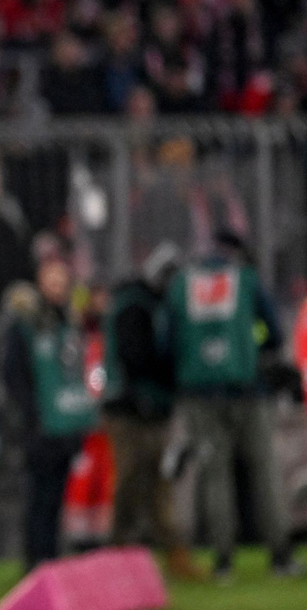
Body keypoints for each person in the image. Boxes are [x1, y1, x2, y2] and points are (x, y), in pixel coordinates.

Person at [166, 230, 298, 579]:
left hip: (200, 394)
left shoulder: (182, 285)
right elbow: (273, 331)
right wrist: (249, 348)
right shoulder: (245, 279)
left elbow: (167, 339)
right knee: (265, 472)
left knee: (215, 476)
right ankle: (281, 556)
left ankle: (223, 561)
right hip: (248, 390)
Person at [101, 243, 204, 580]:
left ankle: (168, 552)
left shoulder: (151, 304)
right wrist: (166, 381)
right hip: (129, 410)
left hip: (150, 408)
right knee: (133, 480)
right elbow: (136, 358)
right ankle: (121, 553)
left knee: (155, 482)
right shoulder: (134, 305)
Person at [3, 257, 97, 571]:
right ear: (40, 283)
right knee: (39, 496)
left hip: (65, 424)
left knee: (56, 496)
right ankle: (36, 559)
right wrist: (32, 414)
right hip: (40, 425)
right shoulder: (25, 324)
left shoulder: (71, 322)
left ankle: (50, 558)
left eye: (61, 280)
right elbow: (14, 375)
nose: (57, 287)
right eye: (51, 280)